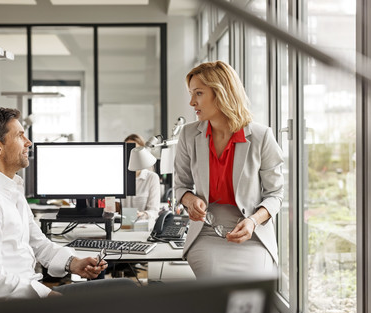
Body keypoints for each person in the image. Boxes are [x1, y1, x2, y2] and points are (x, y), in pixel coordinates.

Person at [0, 108, 132, 304]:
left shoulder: (9, 190)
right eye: (19, 136)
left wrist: (73, 263)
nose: (29, 142)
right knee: (123, 293)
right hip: (6, 308)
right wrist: (48, 296)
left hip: (29, 297)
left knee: (125, 289)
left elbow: (38, 244)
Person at [174, 61, 284, 278]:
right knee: (216, 284)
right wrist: (189, 201)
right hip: (206, 232)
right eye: (191, 93)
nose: (191, 102)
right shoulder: (188, 135)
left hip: (251, 233)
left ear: (221, 93)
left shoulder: (261, 137)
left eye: (198, 93)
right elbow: (181, 186)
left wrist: (253, 221)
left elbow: (275, 195)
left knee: (249, 288)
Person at [121, 134, 161, 224]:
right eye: (128, 150)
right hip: (119, 225)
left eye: (135, 150)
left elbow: (154, 211)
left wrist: (142, 214)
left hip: (142, 226)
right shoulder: (118, 177)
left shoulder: (152, 178)